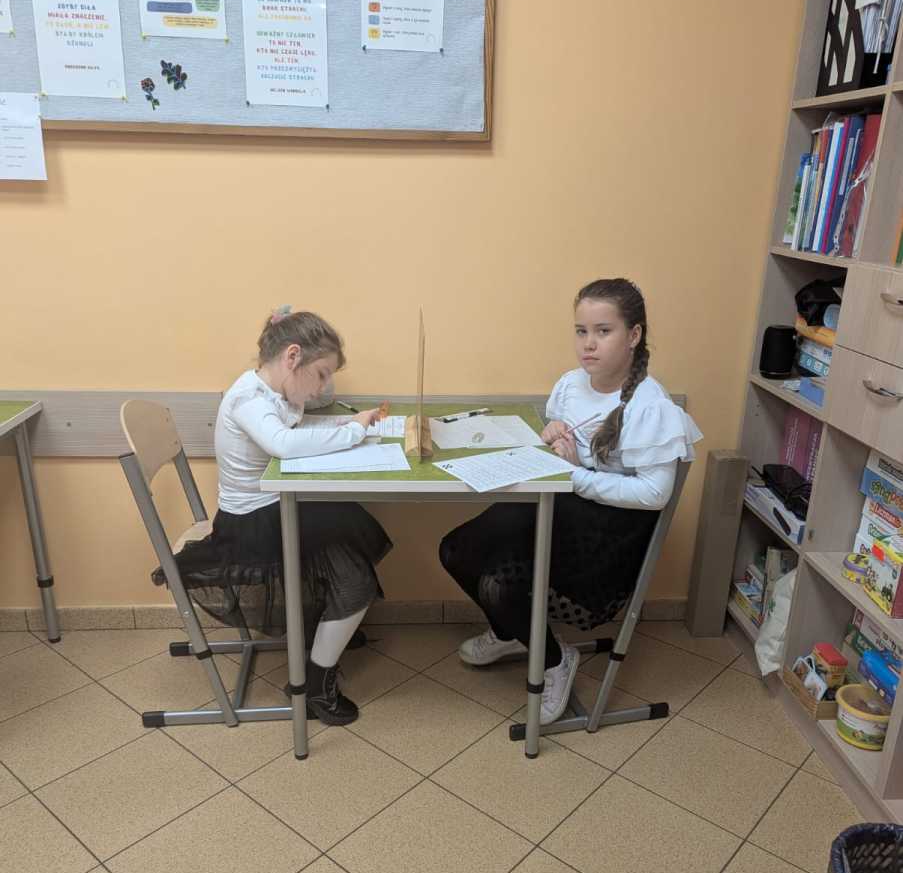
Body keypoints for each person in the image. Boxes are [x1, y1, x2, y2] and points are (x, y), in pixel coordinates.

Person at [439, 277, 702, 724]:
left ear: (634, 335)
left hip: (608, 536)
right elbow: (565, 445)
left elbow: (654, 494)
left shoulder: (650, 405)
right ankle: (511, 632)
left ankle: (555, 661)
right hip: (564, 507)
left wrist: (578, 475)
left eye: (603, 331)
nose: (588, 344)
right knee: (455, 550)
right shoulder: (571, 384)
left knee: (498, 583)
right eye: (581, 331)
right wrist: (553, 435)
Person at [169, 306, 392, 725]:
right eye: (321, 374)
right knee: (354, 576)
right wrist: (354, 430)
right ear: (292, 356)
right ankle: (315, 686)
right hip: (250, 524)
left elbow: (312, 407)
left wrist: (320, 385)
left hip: (271, 507)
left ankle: (328, 630)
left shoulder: (274, 390)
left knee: (345, 519)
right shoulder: (248, 398)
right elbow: (284, 446)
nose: (322, 386)